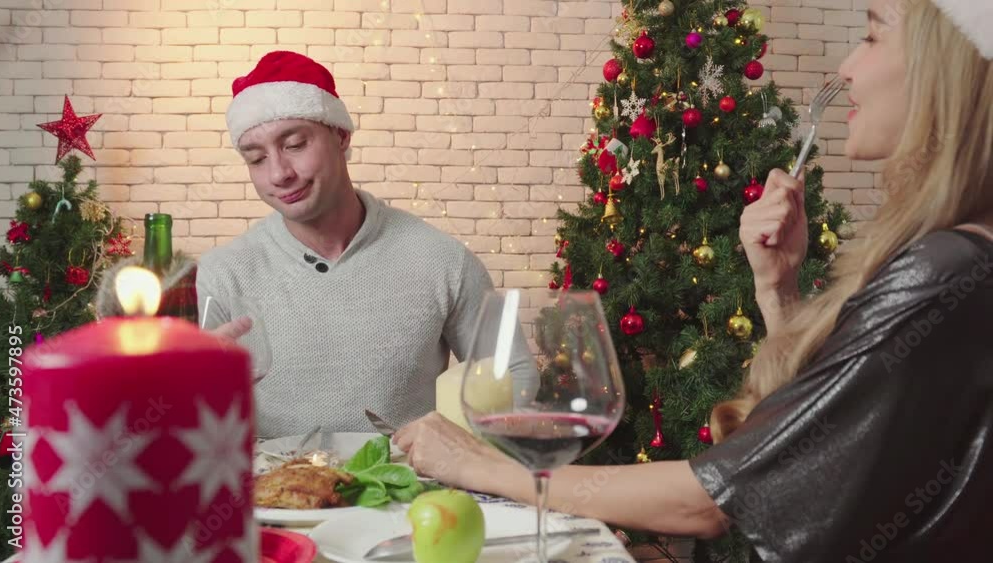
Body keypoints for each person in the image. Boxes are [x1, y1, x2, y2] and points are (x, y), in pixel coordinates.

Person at [394, 0, 993, 561]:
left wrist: (475, 464)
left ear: (947, 68)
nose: (847, 65)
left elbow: (713, 499)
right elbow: (821, 442)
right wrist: (778, 290)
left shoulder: (944, 272)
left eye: (872, 34)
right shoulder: (960, 259)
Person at [195, 51, 529, 437]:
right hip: (273, 477)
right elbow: (190, 421)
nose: (278, 174)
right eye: (256, 159)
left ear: (341, 135)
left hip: (406, 476)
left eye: (295, 144)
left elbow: (513, 371)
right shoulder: (223, 274)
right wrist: (190, 384)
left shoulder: (442, 260)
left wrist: (464, 442)